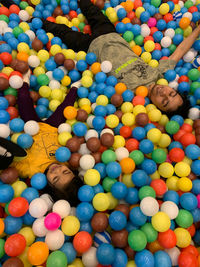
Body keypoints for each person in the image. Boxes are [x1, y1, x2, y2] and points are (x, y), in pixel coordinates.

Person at [41, 0, 200, 118]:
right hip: (110, 34)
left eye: (164, 101)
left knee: (58, 30)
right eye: (171, 93)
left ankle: (33, 22)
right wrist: (198, 30)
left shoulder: (130, 99)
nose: (164, 93)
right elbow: (180, 51)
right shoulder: (159, 73)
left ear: (157, 109)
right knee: (90, 8)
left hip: (89, 49)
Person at [11, 70, 83, 206]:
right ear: (71, 170)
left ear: (48, 185)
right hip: (54, 127)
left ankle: (25, 81)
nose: (57, 170)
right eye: (65, 171)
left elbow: (11, 161)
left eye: (55, 179)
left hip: (31, 126)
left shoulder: (32, 170)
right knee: (65, 108)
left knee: (23, 101)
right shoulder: (68, 161)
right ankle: (74, 88)